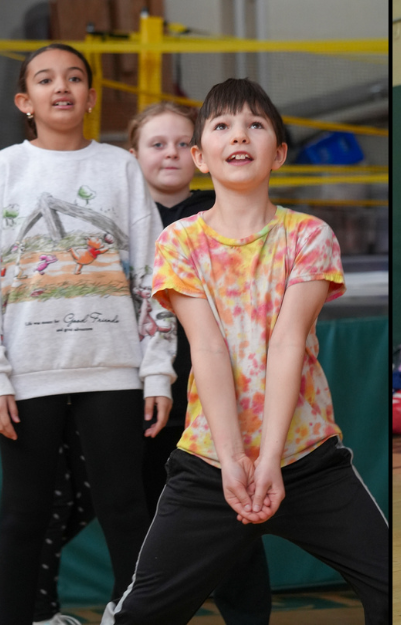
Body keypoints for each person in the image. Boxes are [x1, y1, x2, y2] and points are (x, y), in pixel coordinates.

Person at [100, 77, 389, 624]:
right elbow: (207, 348)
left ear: (278, 152)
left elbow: (287, 342)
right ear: (200, 156)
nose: (239, 135)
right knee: (141, 614)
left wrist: (271, 457)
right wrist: (234, 459)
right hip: (210, 461)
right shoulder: (179, 241)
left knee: (391, 586)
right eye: (222, 125)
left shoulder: (310, 236)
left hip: (306, 458)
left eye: (255, 124)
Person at [0, 43, 176, 625]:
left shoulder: (120, 168)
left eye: (75, 77)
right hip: (28, 371)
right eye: (46, 79)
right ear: (24, 102)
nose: (62, 87)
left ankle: (133, 616)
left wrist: (157, 368)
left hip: (114, 367)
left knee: (125, 507)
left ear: (91, 96)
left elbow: (153, 274)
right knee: (24, 513)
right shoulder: (4, 169)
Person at [127, 100, 272, 624]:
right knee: (151, 518)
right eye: (155, 144)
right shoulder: (123, 221)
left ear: (199, 154)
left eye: (179, 143)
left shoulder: (222, 213)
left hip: (217, 396)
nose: (169, 154)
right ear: (132, 155)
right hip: (143, 394)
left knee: (233, 517)